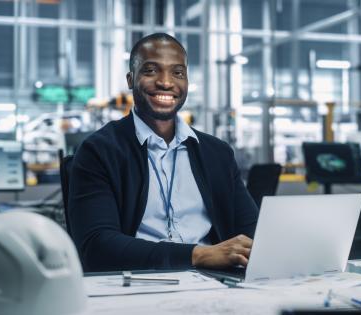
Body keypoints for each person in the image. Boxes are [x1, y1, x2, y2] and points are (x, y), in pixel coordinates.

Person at [68, 33, 258, 272]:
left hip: (214, 285)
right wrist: (198, 255)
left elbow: (253, 233)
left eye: (178, 73)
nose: (166, 82)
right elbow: (97, 246)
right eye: (151, 71)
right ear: (130, 79)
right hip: (137, 285)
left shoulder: (217, 153)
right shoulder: (99, 151)